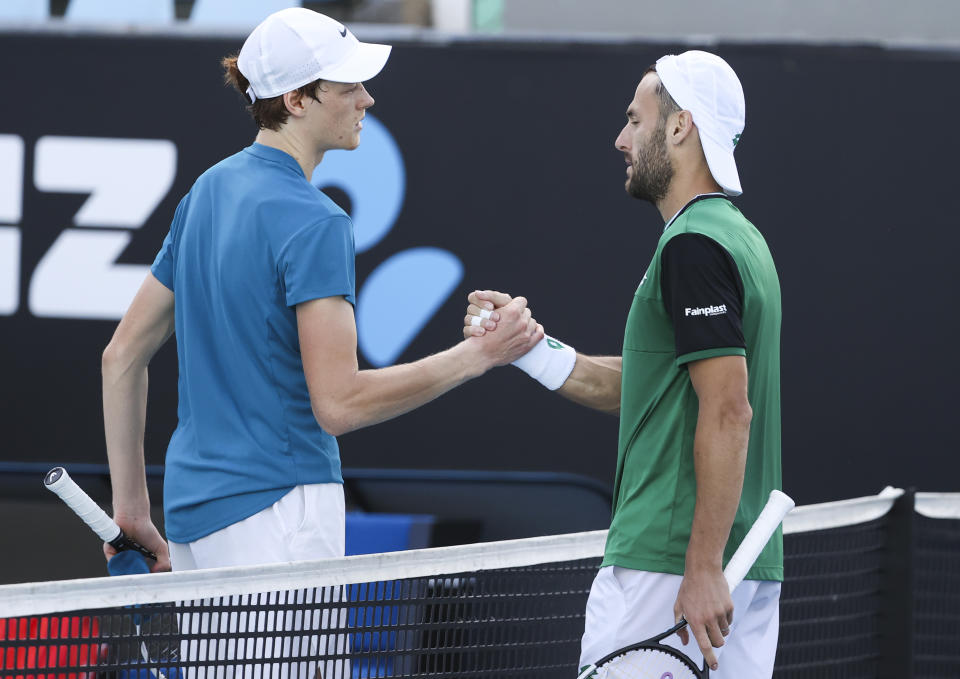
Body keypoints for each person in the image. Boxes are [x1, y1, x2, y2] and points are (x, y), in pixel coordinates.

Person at [101, 7, 542, 576]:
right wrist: (478, 356)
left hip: (194, 518)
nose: (367, 100)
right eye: (349, 85)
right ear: (296, 100)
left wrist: (132, 512)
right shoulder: (318, 221)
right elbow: (340, 404)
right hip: (281, 512)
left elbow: (120, 358)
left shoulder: (207, 191)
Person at [464, 51, 782, 677]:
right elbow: (651, 389)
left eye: (634, 121)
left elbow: (728, 411)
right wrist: (530, 348)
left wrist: (700, 566)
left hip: (673, 568)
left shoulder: (694, 245)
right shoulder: (738, 237)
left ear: (679, 127)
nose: (620, 139)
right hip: (739, 565)